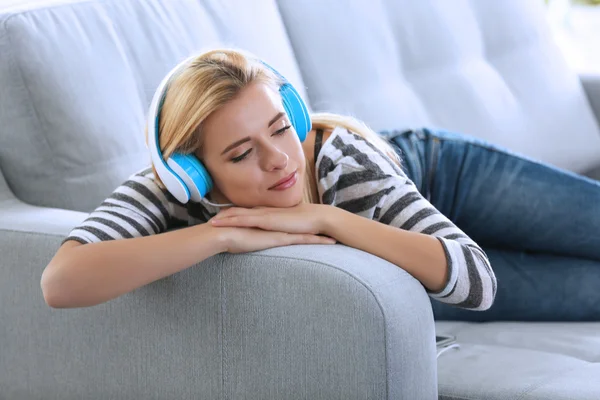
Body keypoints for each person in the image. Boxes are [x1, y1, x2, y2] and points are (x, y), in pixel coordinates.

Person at [40, 47, 594, 321]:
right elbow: (61, 283)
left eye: (281, 128)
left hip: (436, 176)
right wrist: (220, 237)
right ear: (195, 172)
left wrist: (328, 218)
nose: (280, 160)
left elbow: (476, 279)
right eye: (240, 154)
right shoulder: (171, 189)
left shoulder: (341, 162)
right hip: (403, 253)